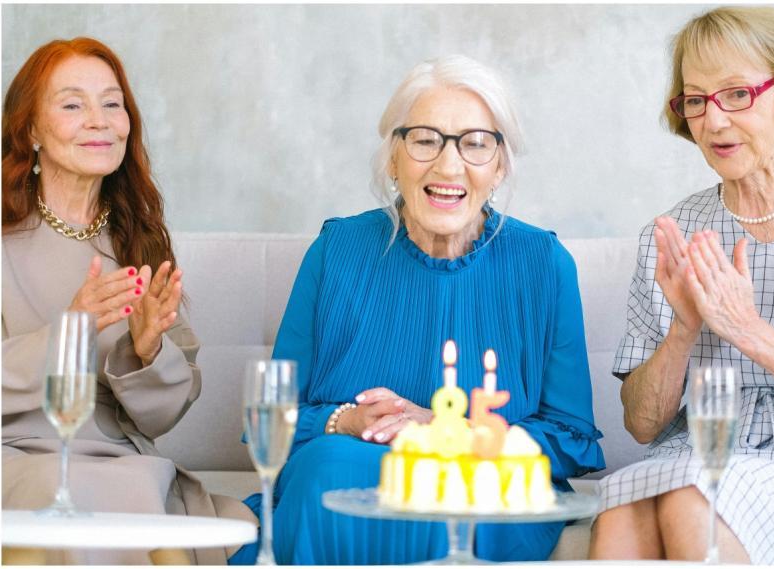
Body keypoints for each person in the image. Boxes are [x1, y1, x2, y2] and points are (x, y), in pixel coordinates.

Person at [229, 54, 605, 564]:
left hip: (481, 480)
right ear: (393, 158)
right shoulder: (336, 250)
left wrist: (449, 431)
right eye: (426, 140)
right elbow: (271, 419)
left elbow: (572, 437)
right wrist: (348, 420)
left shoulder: (544, 263)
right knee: (327, 469)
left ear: (499, 166)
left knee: (457, 492)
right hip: (343, 467)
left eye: (475, 144)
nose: (448, 166)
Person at [589, 7, 774, 564]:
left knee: (691, 499)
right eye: (696, 100)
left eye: (736, 95)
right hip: (696, 452)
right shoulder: (673, 231)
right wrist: (683, 330)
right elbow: (642, 425)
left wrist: (749, 331)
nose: (713, 121)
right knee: (622, 507)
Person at [2, 37, 254, 564]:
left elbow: (162, 418)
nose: (99, 121)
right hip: (19, 454)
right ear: (31, 130)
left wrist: (147, 350)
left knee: (139, 487)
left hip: (122, 456)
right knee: (68, 493)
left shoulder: (139, 240)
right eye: (73, 105)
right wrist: (70, 330)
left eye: (112, 103)